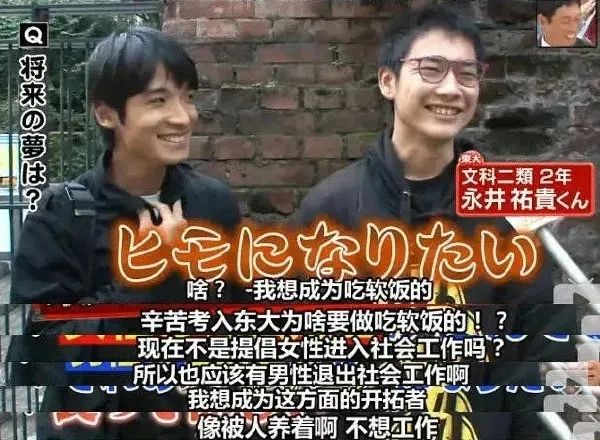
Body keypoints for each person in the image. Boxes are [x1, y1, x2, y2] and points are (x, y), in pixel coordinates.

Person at [296, 5, 577, 439]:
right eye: (431, 69)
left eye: (467, 74)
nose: (451, 89)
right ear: (388, 81)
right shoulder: (332, 210)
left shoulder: (506, 210)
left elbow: (538, 349)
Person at [8, 27, 242, 439]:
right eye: (158, 100)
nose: (183, 116)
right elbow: (43, 354)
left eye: (188, 97)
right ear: (107, 114)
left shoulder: (212, 203)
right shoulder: (62, 214)